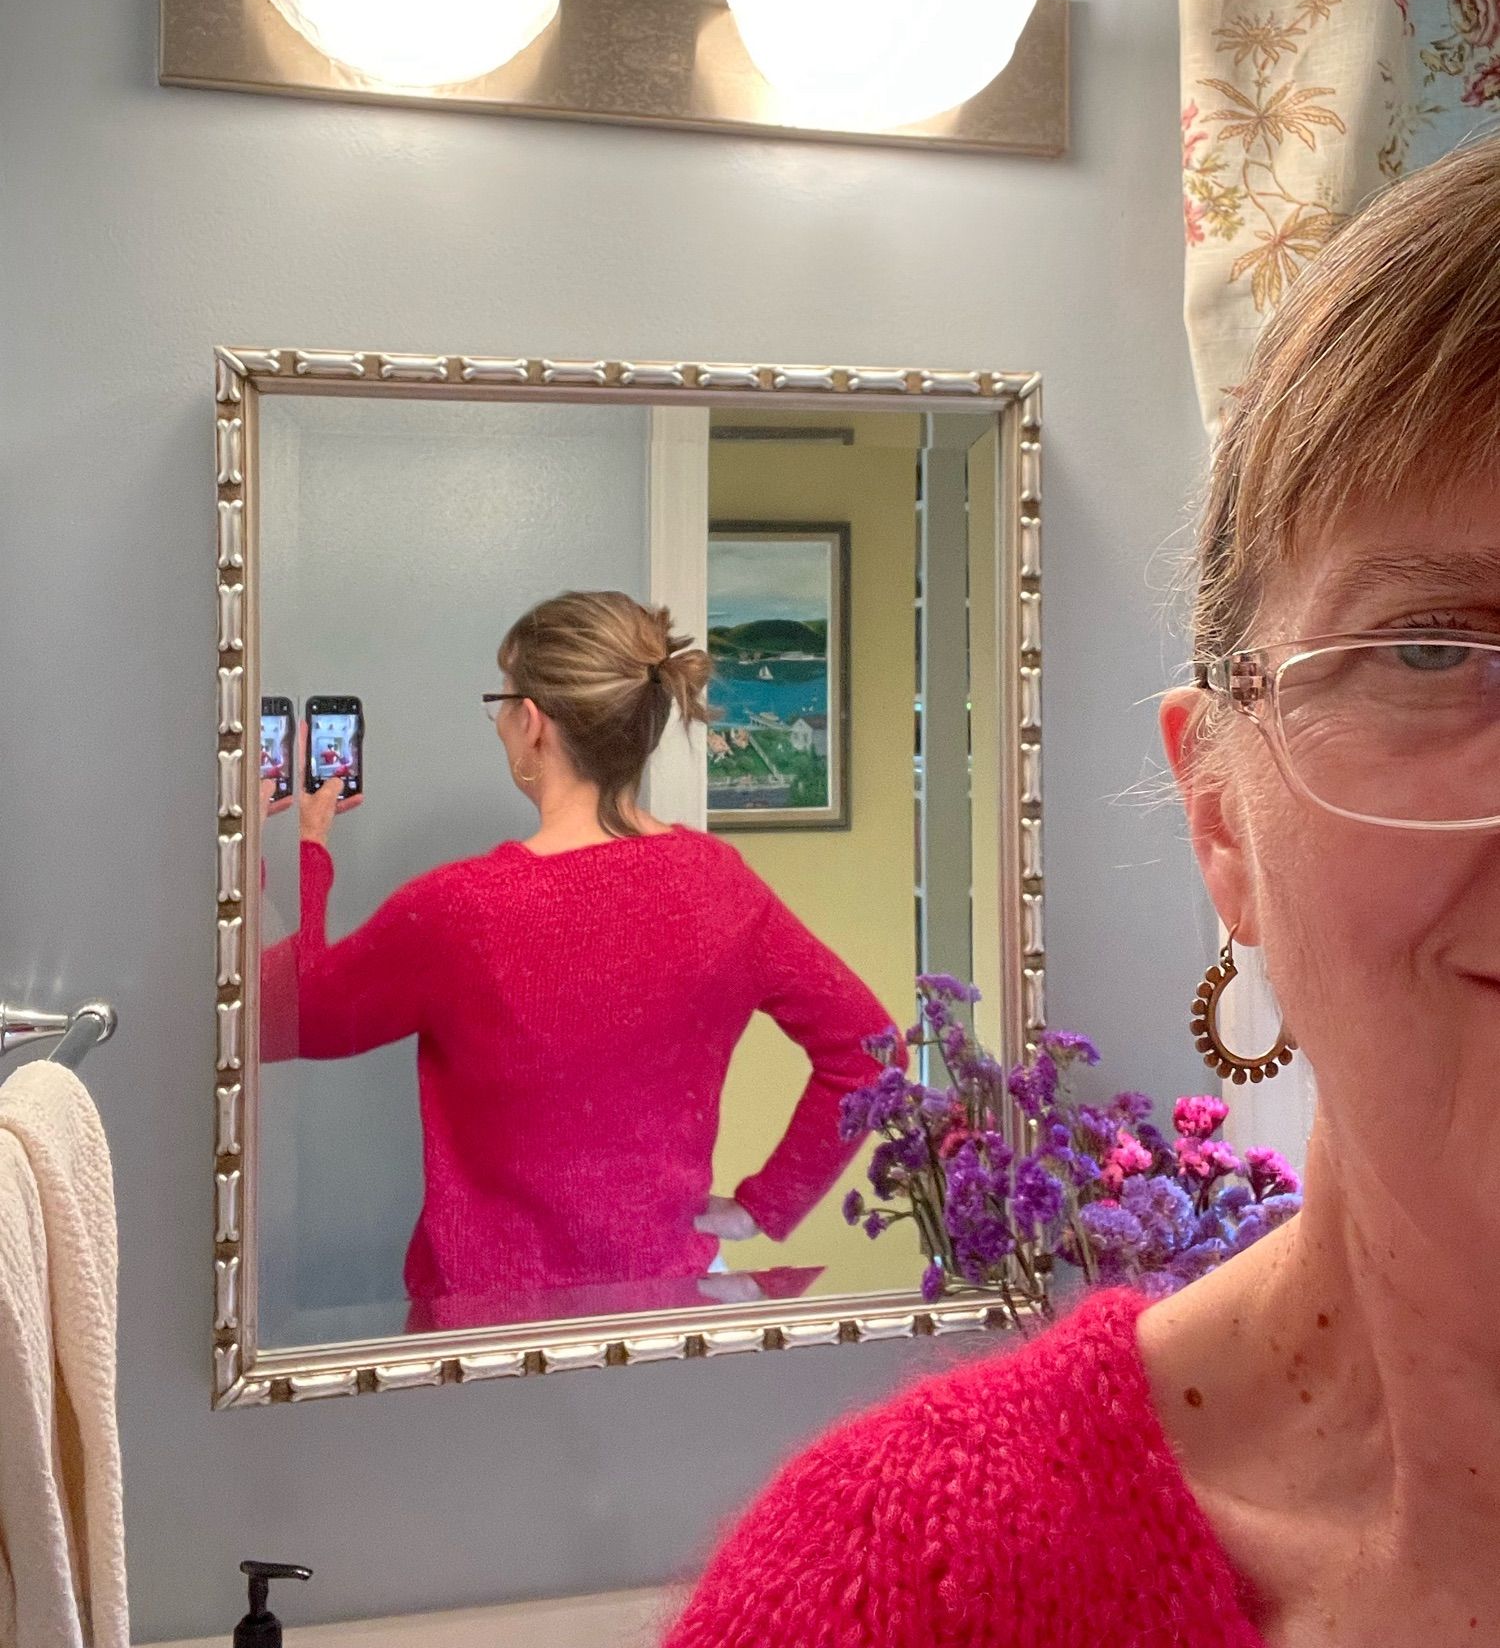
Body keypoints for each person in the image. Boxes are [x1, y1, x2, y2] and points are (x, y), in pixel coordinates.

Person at [663, 137, 1500, 1646]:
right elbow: (860, 1042)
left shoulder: (470, 911)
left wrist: (728, 1232)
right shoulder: (897, 1589)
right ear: (1220, 815)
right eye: (1433, 650)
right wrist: (744, 1220)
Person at [259, 590, 896, 1318]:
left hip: (485, 1331)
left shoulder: (461, 908)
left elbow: (286, 1017)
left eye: (501, 702)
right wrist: (766, 1204)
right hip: (666, 1310)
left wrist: (304, 851)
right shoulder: (720, 885)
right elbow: (870, 1051)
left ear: (532, 723)